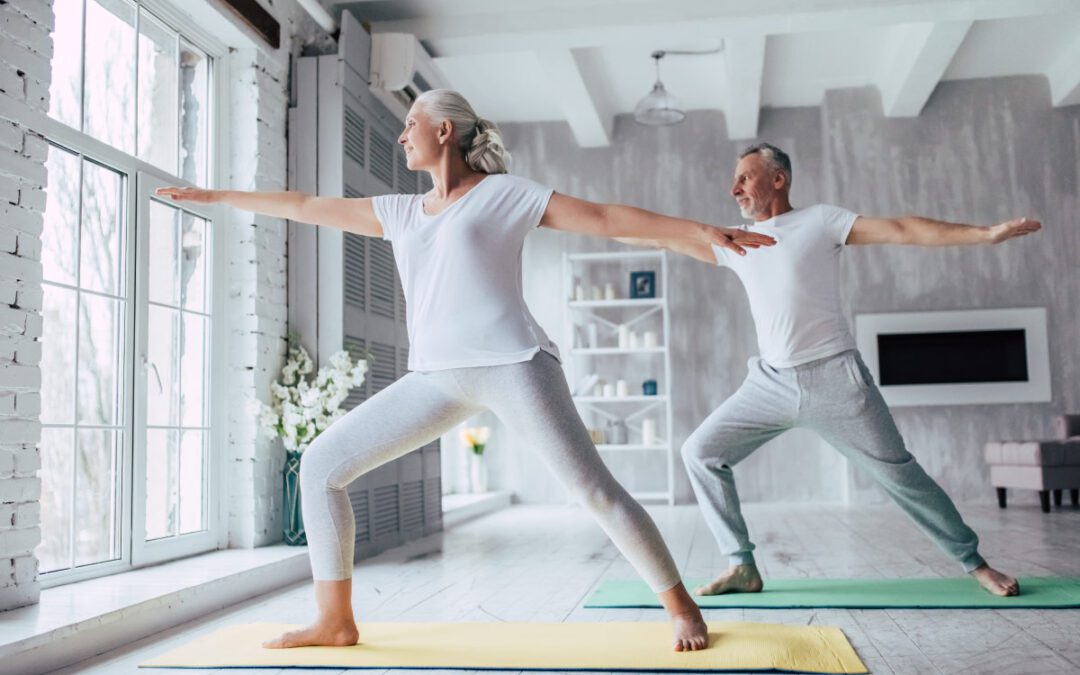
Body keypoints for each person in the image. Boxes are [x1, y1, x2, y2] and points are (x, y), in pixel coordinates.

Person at [157, 89, 776, 652]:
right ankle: (335, 621)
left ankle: (680, 607)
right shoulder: (401, 213)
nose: (402, 136)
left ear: (445, 130)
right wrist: (214, 197)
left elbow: (607, 219)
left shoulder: (504, 194)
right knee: (320, 467)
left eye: (410, 125)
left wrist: (700, 232)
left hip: (515, 365)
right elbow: (305, 205)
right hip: (436, 379)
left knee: (593, 490)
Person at [619, 142, 1039, 599]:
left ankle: (974, 563)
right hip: (770, 383)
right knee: (699, 452)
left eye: (745, 176)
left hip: (836, 379)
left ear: (778, 179)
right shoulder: (734, 242)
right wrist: (594, 226)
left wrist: (985, 234)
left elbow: (900, 229)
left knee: (901, 476)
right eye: (735, 179)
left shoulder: (819, 221)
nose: (734, 187)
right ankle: (741, 566)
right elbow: (659, 236)